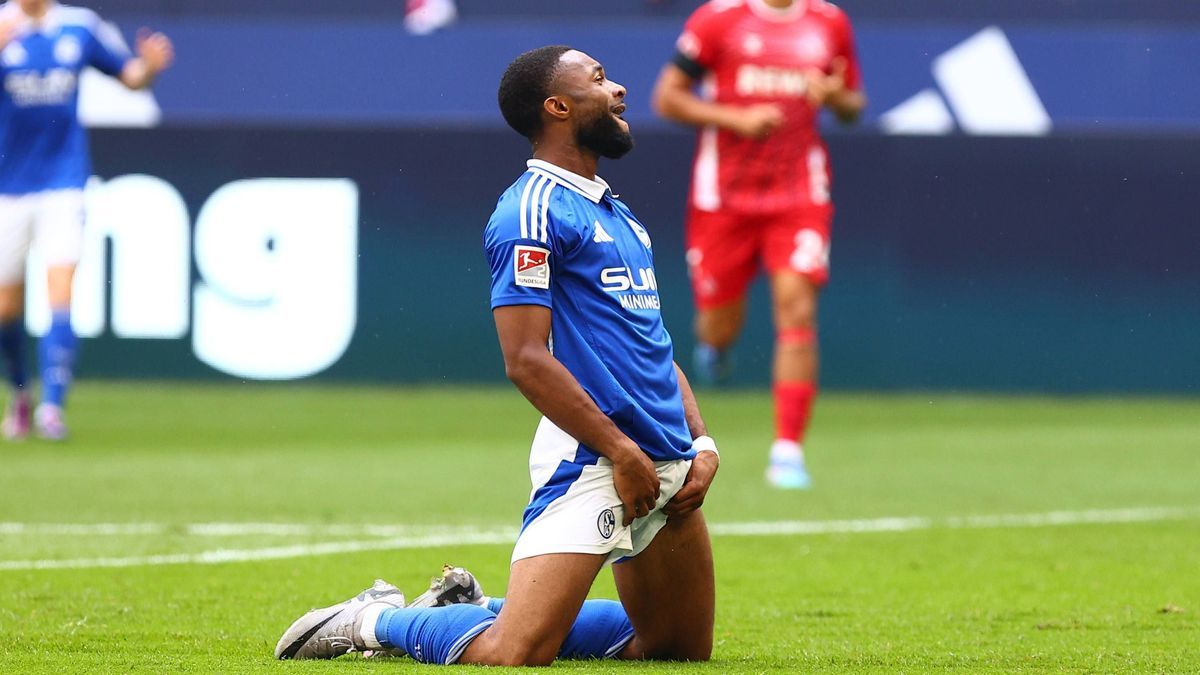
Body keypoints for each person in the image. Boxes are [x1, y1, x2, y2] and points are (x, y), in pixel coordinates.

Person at [274, 45, 721, 666]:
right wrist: (619, 451)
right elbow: (526, 359)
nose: (619, 90)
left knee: (678, 646)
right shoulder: (528, 210)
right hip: (594, 456)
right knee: (518, 653)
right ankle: (376, 619)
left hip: (663, 459)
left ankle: (471, 609)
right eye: (599, 79)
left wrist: (700, 443)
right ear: (558, 106)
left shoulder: (615, 211)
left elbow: (654, 342)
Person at [651, 0, 865, 489]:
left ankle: (787, 451)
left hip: (799, 193)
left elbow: (853, 105)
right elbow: (667, 97)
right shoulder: (718, 20)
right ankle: (714, 345)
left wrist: (834, 98)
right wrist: (734, 118)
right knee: (719, 322)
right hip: (723, 198)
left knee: (797, 306)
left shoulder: (827, 22)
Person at [0, 0, 173, 440]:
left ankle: (53, 409)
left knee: (61, 288)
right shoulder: (2, 26)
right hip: (8, 187)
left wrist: (150, 67)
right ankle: (21, 394)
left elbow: (130, 78)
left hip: (64, 181)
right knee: (6, 308)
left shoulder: (78, 26)